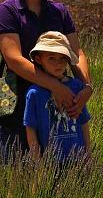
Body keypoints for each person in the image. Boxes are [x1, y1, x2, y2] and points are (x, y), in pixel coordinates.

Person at [0, 0, 93, 163]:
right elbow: (14, 60)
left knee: (63, 173)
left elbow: (77, 53)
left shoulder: (59, 11)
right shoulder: (6, 11)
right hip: (19, 107)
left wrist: (86, 87)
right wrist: (55, 85)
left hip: (60, 108)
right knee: (16, 175)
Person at [24, 31, 91, 163]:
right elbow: (30, 129)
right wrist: (37, 163)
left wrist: (88, 154)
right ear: (38, 59)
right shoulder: (34, 93)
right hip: (50, 161)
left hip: (77, 159)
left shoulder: (76, 87)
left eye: (63, 58)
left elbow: (83, 122)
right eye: (51, 58)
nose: (58, 63)